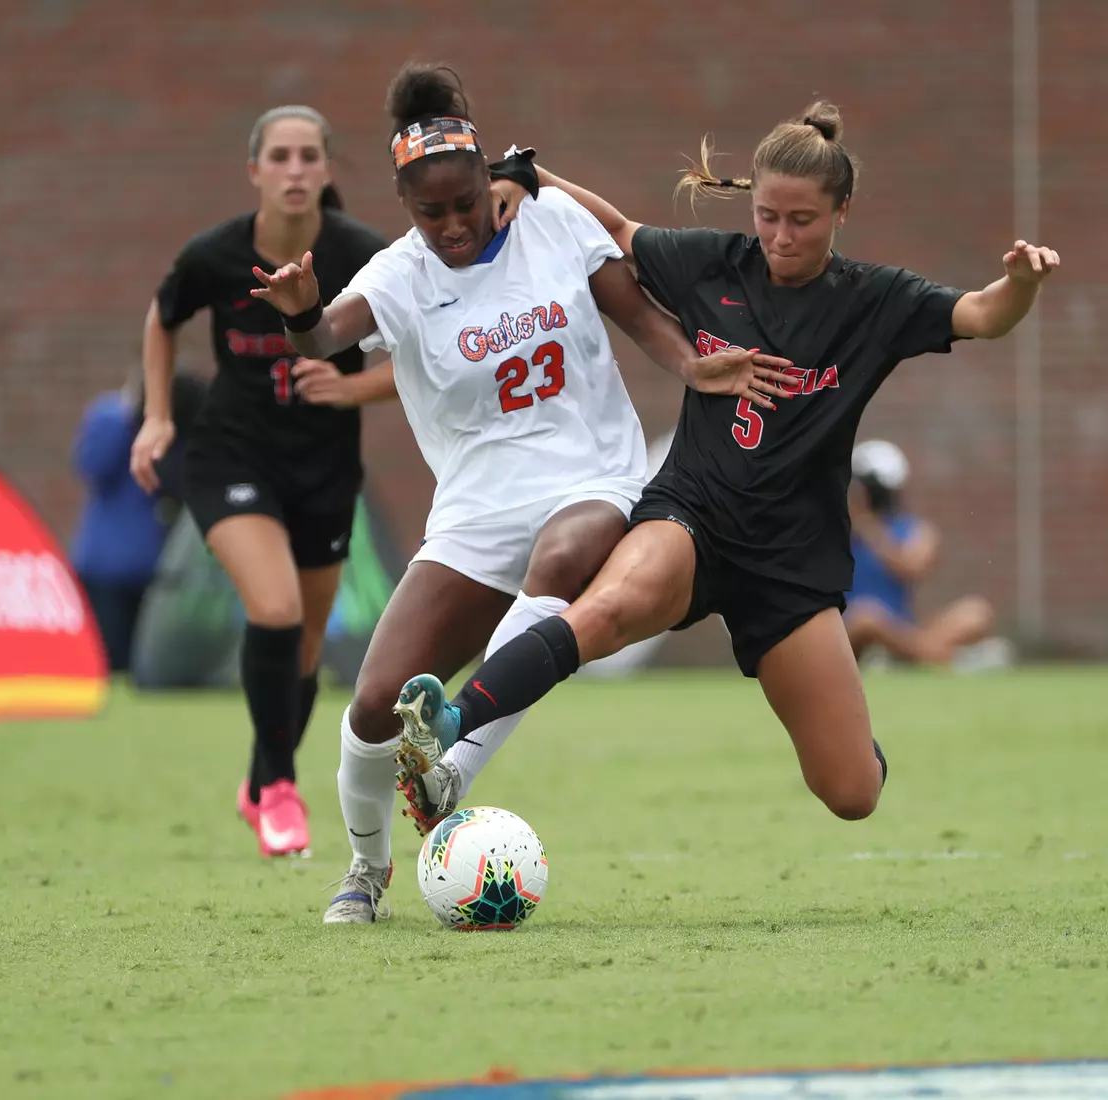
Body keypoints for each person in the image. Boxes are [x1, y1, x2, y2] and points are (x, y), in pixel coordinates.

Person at [392, 100, 1060, 828]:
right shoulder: (714, 264)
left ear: (842, 211)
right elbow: (616, 230)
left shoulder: (874, 299)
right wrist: (526, 173)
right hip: (692, 518)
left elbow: (983, 314)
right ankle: (452, 726)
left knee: (852, 794)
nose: (780, 236)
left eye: (801, 220)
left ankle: (855, 742)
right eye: (767, 216)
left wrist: (1021, 284)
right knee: (604, 611)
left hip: (789, 561)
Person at [248, 63, 794, 922]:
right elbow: (324, 336)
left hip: (594, 476)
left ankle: (454, 763)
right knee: (373, 707)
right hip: (476, 512)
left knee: (566, 553)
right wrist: (301, 310)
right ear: (405, 206)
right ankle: (366, 869)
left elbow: (639, 315)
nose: (454, 225)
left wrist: (695, 366)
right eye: (431, 213)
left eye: (466, 202)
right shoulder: (399, 275)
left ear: (487, 180)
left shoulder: (550, 219)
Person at [130, 105, 400, 859]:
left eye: (309, 155)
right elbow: (162, 317)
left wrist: (351, 388)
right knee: (275, 610)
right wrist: (158, 418)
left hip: (324, 468)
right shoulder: (216, 255)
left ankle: (259, 781)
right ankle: (281, 788)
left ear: (328, 168)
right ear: (254, 170)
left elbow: (428, 354)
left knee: (306, 646)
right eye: (279, 156)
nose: (294, 169)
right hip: (231, 460)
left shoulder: (364, 255)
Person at [71, 370, 206, 673]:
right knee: (110, 658)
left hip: (154, 567)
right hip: (106, 568)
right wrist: (130, 416)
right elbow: (92, 466)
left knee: (142, 662)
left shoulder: (177, 432)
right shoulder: (112, 418)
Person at [844, 439, 1012, 672]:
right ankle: (953, 660)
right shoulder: (837, 530)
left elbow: (913, 568)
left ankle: (902, 656)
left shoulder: (914, 530)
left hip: (901, 628)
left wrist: (870, 529)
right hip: (850, 628)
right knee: (866, 618)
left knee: (976, 612)